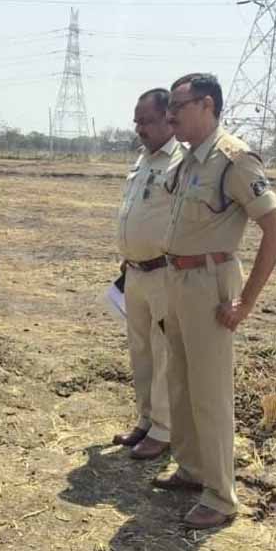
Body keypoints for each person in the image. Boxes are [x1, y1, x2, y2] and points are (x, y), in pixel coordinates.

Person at [155, 73, 276, 529]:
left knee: (210, 393)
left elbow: (274, 232)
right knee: (180, 382)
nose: (170, 115)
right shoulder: (188, 160)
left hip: (210, 284)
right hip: (177, 279)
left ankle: (221, 496)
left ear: (207, 105)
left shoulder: (234, 160)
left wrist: (244, 303)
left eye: (178, 106)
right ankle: (192, 469)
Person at [111, 88, 181, 461]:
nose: (139, 128)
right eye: (136, 121)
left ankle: (164, 430)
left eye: (147, 121)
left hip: (164, 273)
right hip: (135, 271)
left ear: (169, 118)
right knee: (140, 351)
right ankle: (145, 419)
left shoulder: (180, 161)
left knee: (164, 352)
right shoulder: (143, 158)